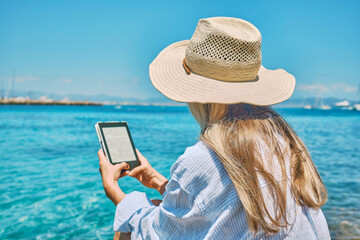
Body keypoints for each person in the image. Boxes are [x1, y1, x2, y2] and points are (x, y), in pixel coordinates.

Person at [98, 17, 331, 239]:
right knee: (157, 208)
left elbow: (155, 235)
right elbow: (219, 202)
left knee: (127, 229)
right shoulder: (282, 139)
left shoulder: (205, 157)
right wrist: (158, 181)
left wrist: (115, 192)